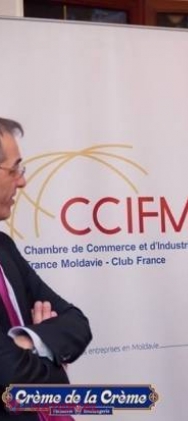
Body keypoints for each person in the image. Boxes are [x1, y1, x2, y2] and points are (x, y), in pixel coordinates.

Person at [0, 118, 92, 420]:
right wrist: (49, 351)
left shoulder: (4, 247)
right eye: (14, 170)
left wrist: (30, 340)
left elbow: (77, 323)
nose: (22, 182)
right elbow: (11, 373)